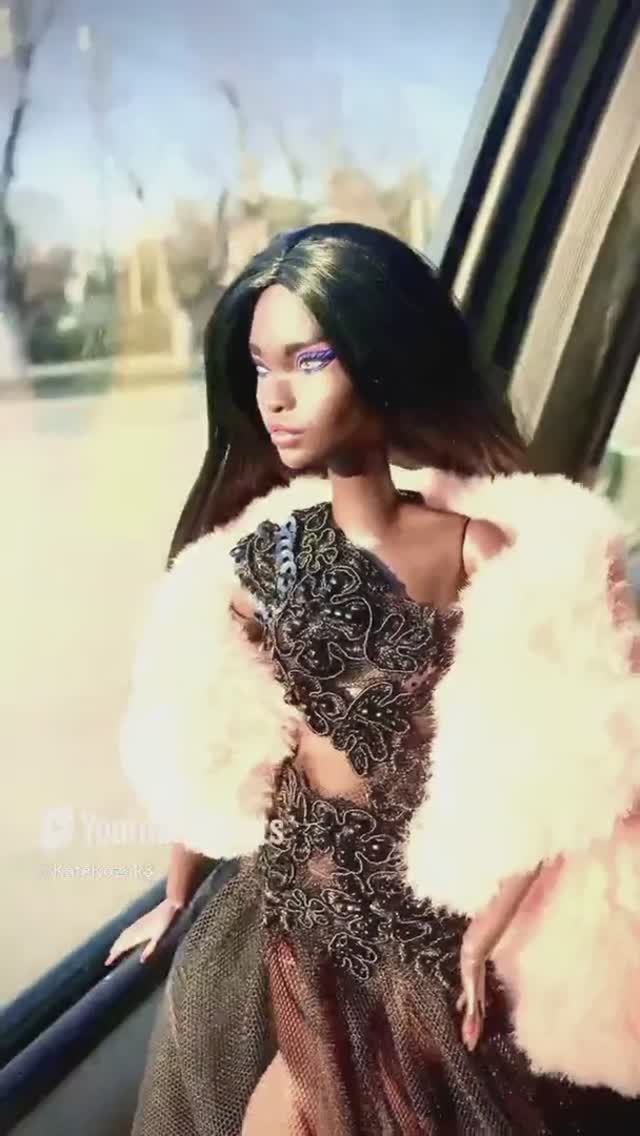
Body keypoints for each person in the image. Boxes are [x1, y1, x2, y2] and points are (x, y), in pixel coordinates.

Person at [117, 223, 640, 1134]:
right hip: (298, 904)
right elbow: (209, 732)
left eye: (310, 361)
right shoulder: (257, 563)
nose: (275, 396)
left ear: (383, 360)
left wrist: (488, 929)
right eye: (260, 367)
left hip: (421, 917)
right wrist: (173, 893)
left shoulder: (475, 551)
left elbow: (552, 763)